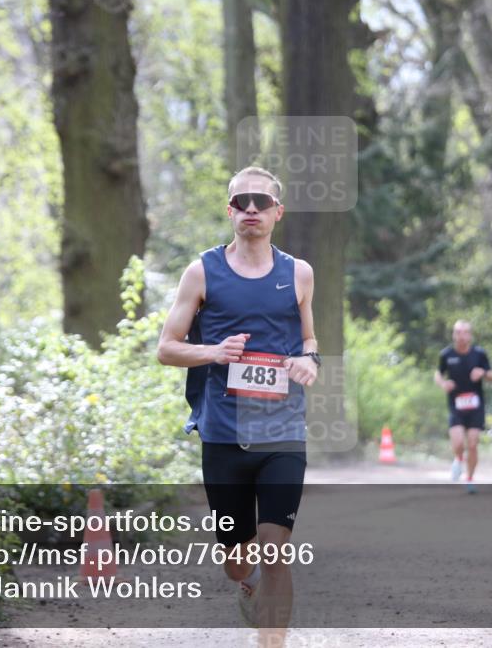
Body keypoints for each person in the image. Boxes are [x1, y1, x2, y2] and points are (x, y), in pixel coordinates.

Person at [157, 165, 319, 646]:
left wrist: (310, 361)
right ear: (230, 210)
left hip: (282, 432)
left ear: (277, 212)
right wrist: (213, 351)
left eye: (262, 202)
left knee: (275, 552)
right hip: (224, 434)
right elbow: (167, 347)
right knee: (237, 560)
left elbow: (308, 339)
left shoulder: (300, 273)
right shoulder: (202, 271)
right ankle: (242, 582)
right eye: (242, 201)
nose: (252, 209)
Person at [433, 320, 492, 494]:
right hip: (456, 405)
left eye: (464, 332)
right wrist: (443, 383)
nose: (461, 336)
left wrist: (482, 373)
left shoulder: (479, 354)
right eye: (457, 332)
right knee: (459, 442)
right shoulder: (446, 354)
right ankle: (458, 458)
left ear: (470, 335)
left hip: (476, 406)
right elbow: (438, 373)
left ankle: (469, 479)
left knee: (473, 444)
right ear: (453, 335)